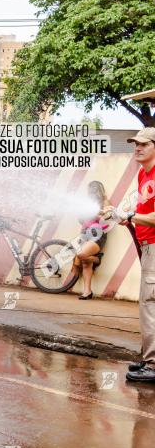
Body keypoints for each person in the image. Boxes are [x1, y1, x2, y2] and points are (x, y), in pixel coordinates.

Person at [115, 127, 155, 382]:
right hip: (148, 245)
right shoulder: (143, 173)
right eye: (135, 144)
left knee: (150, 305)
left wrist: (130, 216)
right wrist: (127, 218)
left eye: (143, 144)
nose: (137, 148)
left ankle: (152, 365)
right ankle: (149, 359)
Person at [72, 181, 109, 300]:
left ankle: (97, 259)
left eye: (92, 190)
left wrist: (95, 214)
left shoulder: (105, 202)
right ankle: (87, 292)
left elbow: (108, 220)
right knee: (86, 263)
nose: (90, 192)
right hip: (85, 233)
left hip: (97, 234)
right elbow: (82, 221)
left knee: (81, 254)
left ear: (98, 190)